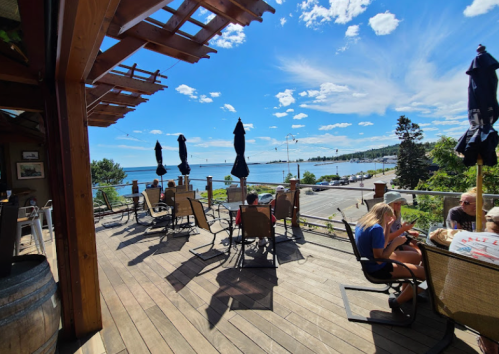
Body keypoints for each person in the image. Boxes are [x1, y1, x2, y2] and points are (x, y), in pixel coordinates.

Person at [355, 203, 426, 309]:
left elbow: (382, 245)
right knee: (428, 277)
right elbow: (380, 259)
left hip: (370, 263)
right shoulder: (377, 228)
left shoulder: (363, 223)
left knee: (416, 257)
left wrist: (388, 227)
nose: (391, 218)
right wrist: (395, 243)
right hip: (379, 268)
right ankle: (396, 302)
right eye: (390, 216)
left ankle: (406, 293)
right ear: (385, 215)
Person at [449, 207, 499, 354]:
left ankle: (490, 347)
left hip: (453, 303)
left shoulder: (460, 237)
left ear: (486, 220)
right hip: (490, 311)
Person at [384, 191, 421, 261]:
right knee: (421, 255)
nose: (399, 206)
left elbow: (398, 224)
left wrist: (408, 230)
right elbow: (387, 238)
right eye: (396, 203)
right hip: (393, 244)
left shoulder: (397, 212)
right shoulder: (386, 217)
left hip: (403, 237)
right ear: (389, 204)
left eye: (400, 204)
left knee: (425, 249)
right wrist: (403, 230)